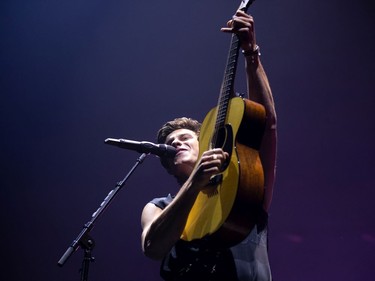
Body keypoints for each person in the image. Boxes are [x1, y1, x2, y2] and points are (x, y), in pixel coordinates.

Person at [141, 9, 277, 281]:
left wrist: (251, 54)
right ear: (168, 164)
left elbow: (266, 124)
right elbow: (153, 248)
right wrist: (194, 183)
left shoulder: (245, 187)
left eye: (185, 138)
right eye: (171, 143)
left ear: (205, 144)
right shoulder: (157, 206)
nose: (177, 142)